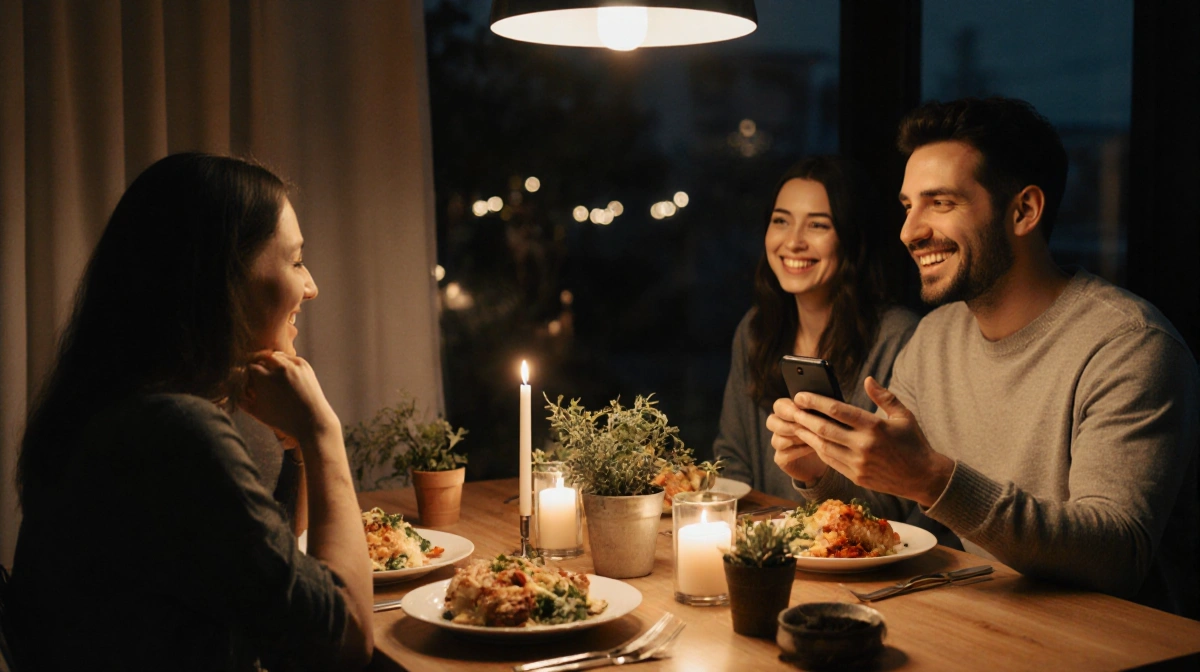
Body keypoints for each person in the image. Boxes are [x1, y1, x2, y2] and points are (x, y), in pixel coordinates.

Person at [767, 97, 1199, 616]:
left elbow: (1118, 554)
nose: (910, 231)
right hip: (979, 617)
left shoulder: (1129, 346)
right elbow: (887, 514)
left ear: (1024, 211)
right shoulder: (934, 339)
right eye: (908, 206)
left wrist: (933, 479)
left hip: (1109, 642)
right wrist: (820, 472)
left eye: (941, 203)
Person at [9, 153, 374, 668]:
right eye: (295, 261)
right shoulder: (174, 436)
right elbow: (345, 641)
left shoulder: (107, 410)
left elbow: (281, 592)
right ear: (223, 277)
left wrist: (297, 448)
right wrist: (322, 434)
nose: (310, 286)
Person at [714, 156, 919, 501]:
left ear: (850, 239)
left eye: (818, 225)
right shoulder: (755, 330)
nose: (793, 242)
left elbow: (897, 502)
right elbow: (730, 460)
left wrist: (816, 480)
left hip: (862, 550)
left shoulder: (898, 337)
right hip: (767, 545)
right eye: (781, 221)